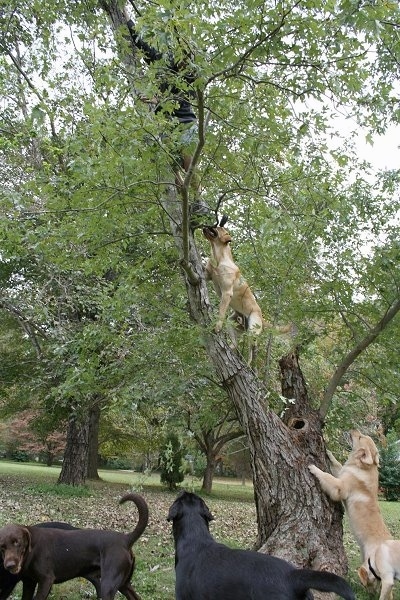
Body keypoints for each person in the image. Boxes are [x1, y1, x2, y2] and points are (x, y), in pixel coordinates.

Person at [125, 12, 211, 224]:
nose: (184, 64)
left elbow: (179, 95)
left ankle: (200, 200)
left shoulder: (191, 75)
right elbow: (142, 44)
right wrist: (127, 19)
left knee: (188, 162)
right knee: (170, 166)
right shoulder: (163, 63)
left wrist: (156, 100)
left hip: (185, 122)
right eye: (183, 59)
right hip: (166, 125)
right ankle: (184, 200)